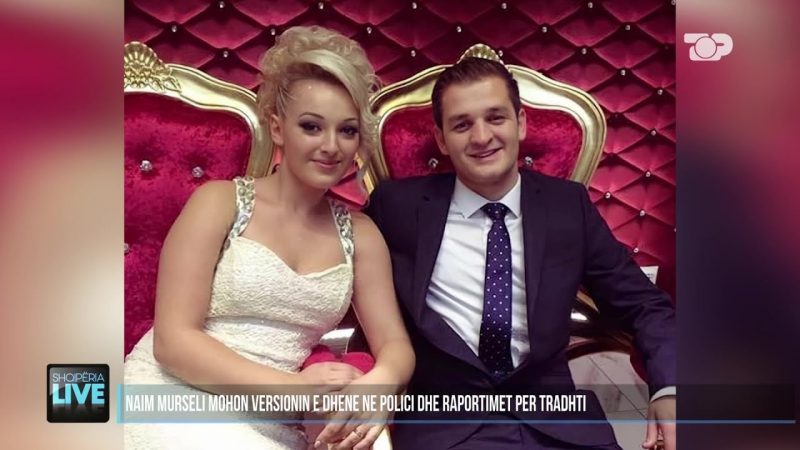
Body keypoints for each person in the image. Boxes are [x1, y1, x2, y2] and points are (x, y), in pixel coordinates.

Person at [364, 48, 676, 450]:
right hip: (449, 425)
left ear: (521, 122)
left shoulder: (568, 206)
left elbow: (644, 304)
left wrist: (670, 387)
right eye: (462, 124)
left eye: (496, 117)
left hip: (556, 421)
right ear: (441, 139)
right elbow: (334, 268)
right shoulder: (397, 207)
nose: (481, 137)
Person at [124, 25, 414, 450]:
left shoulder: (362, 234)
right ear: (277, 129)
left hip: (275, 422)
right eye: (312, 127)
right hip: (173, 394)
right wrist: (293, 390)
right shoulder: (219, 203)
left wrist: (381, 383)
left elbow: (396, 344)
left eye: (347, 130)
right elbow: (173, 342)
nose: (331, 146)